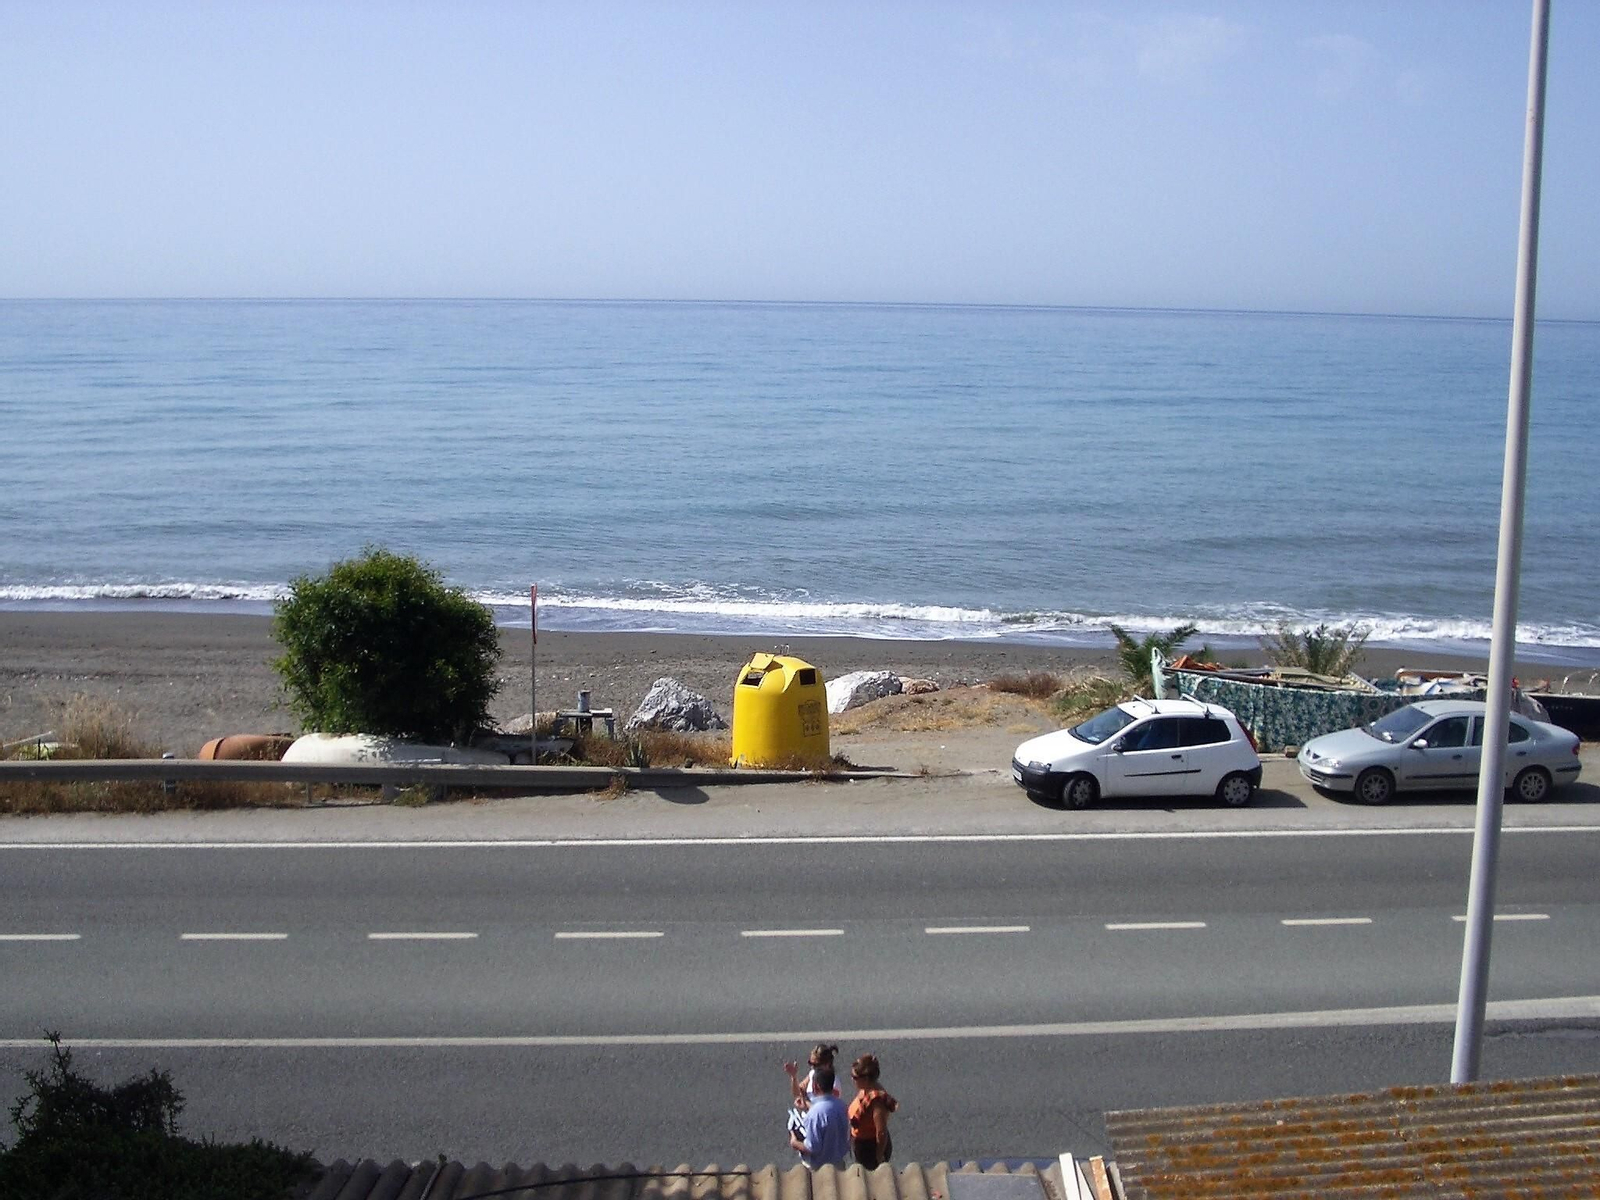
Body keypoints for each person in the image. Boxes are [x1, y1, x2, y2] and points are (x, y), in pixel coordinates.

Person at [788, 1064, 850, 1168]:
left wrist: (794, 1142)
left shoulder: (814, 1114)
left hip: (818, 1169)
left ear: (815, 1086)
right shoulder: (842, 1106)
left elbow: (812, 1148)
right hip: (839, 1165)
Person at [848, 1053, 898, 1169]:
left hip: (870, 1148)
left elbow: (881, 1132)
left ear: (865, 1079)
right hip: (861, 1142)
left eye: (854, 1077)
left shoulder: (876, 1101)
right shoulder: (866, 1090)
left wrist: (879, 1157)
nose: (852, 1079)